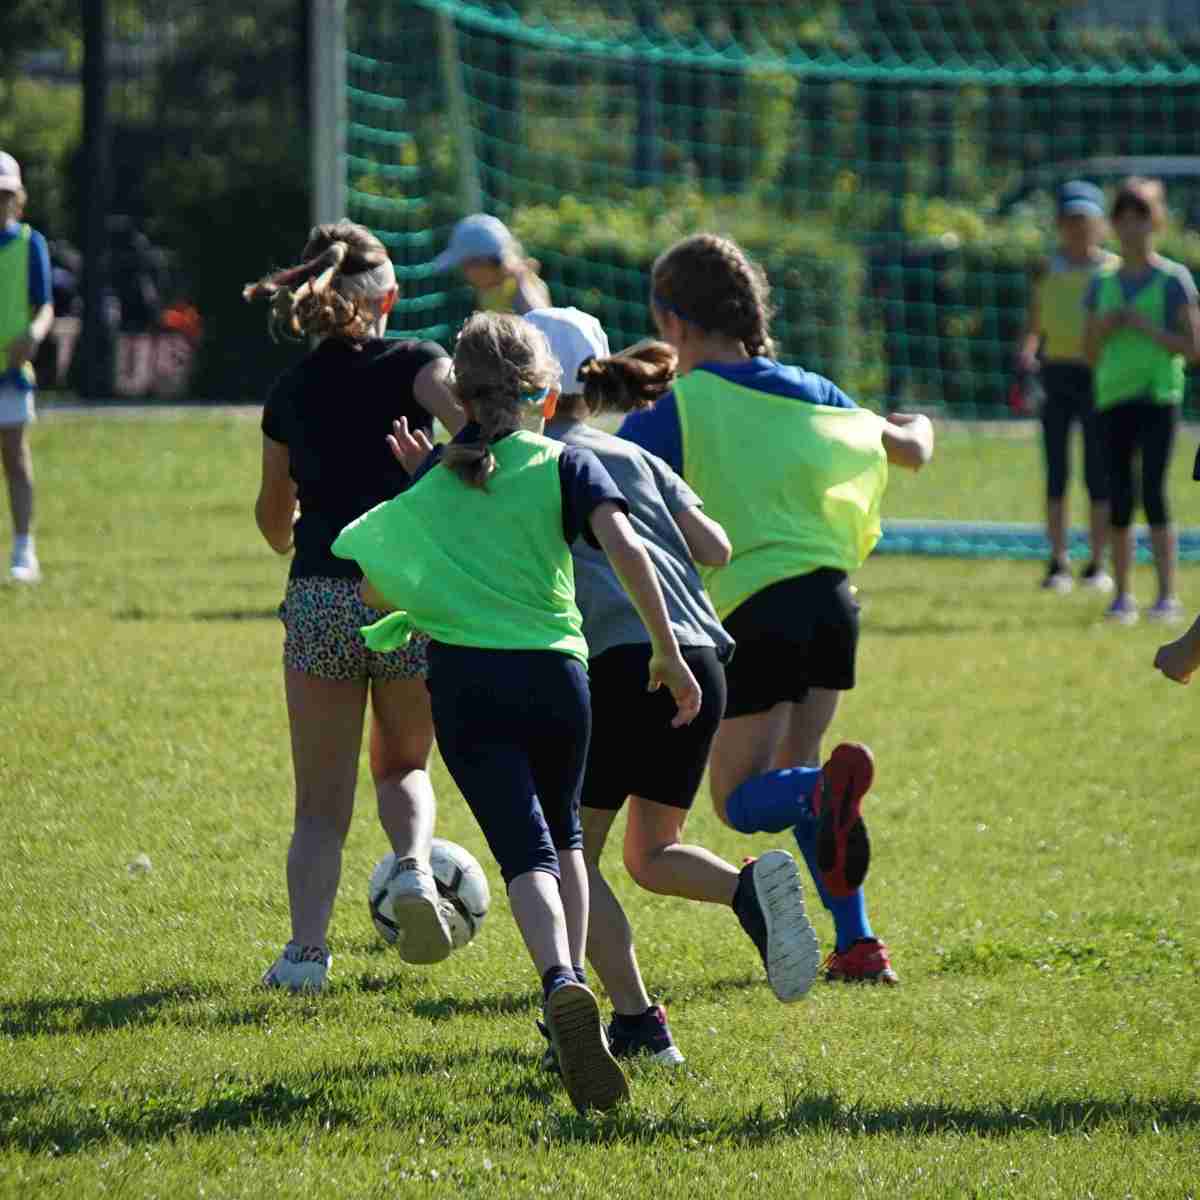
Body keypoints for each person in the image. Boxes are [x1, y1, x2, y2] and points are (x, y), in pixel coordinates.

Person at [333, 311, 701, 1113]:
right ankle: (576, 994)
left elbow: (372, 588)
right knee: (567, 836)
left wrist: (424, 498)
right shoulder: (565, 464)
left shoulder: (435, 478)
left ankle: (561, 981)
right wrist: (668, 652)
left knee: (524, 852)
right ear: (545, 394)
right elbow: (629, 550)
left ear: (460, 397)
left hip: (467, 686)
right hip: (560, 679)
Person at [618, 233, 935, 985]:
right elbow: (909, 449)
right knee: (805, 796)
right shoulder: (816, 389)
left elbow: (603, 482)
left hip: (753, 612)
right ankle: (858, 944)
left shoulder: (679, 411)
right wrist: (919, 423)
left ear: (673, 321)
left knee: (737, 800)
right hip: (833, 602)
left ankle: (824, 794)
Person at [524, 306, 821, 1068]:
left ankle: (634, 1021)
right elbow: (715, 545)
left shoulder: (531, 462)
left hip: (629, 661)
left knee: (565, 856)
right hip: (705, 661)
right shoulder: (632, 456)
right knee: (653, 852)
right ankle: (747, 894)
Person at [244, 220, 465, 992]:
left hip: (318, 596)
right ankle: (411, 868)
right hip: (409, 592)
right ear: (390, 297)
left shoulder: (289, 392)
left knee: (318, 805)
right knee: (404, 763)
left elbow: (275, 525)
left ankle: (305, 955)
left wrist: (303, 515)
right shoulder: (419, 364)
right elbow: (476, 432)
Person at [1084, 177, 1200, 625]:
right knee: (1119, 496)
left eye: (1142, 219)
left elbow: (1192, 349)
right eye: (1124, 220)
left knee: (1153, 491)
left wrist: (1146, 328)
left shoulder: (1174, 281)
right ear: (1114, 225)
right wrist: (1108, 325)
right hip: (1112, 398)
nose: (1133, 229)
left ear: (1157, 223)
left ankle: (1168, 595)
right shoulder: (1102, 283)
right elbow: (1089, 351)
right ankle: (1123, 595)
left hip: (1157, 398)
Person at [1016, 180, 1117, 593]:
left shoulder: (1111, 270)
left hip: (1100, 375)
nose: (1078, 228)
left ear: (1098, 224)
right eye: (1070, 220)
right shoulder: (1048, 270)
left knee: (1099, 472)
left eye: (1085, 220)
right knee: (1057, 472)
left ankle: (1098, 561)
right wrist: (1027, 352)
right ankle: (1058, 562)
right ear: (1060, 224)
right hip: (1057, 373)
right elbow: (1034, 324)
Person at [0, 152, 54, 584]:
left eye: (5, 196)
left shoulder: (29, 243)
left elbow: (45, 306)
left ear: (18, 200)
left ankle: (23, 548)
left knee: (15, 457)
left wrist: (34, 334)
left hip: (12, 374)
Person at [432, 213, 550, 315]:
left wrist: (521, 280)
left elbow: (543, 323)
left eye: (466, 265)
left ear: (484, 262)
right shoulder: (488, 291)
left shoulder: (520, 284)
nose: (464, 273)